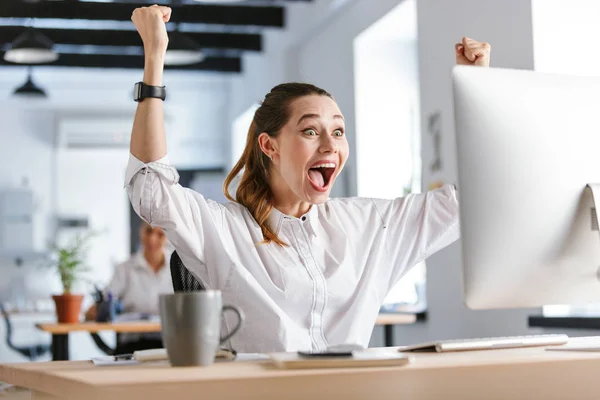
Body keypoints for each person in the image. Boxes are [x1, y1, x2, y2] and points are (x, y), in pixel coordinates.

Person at [126, 5, 491, 352]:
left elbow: (474, 201)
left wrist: (476, 86)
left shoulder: (370, 227)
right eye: (311, 132)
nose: (331, 146)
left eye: (338, 131)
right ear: (270, 146)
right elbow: (150, 188)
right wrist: (154, 57)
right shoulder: (222, 230)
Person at [85, 222, 173, 353]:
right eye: (148, 231)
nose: (152, 238)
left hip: (169, 343)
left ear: (168, 238)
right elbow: (104, 301)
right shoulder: (125, 269)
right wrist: (97, 309)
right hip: (132, 344)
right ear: (141, 233)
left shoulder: (179, 270)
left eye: (160, 234)